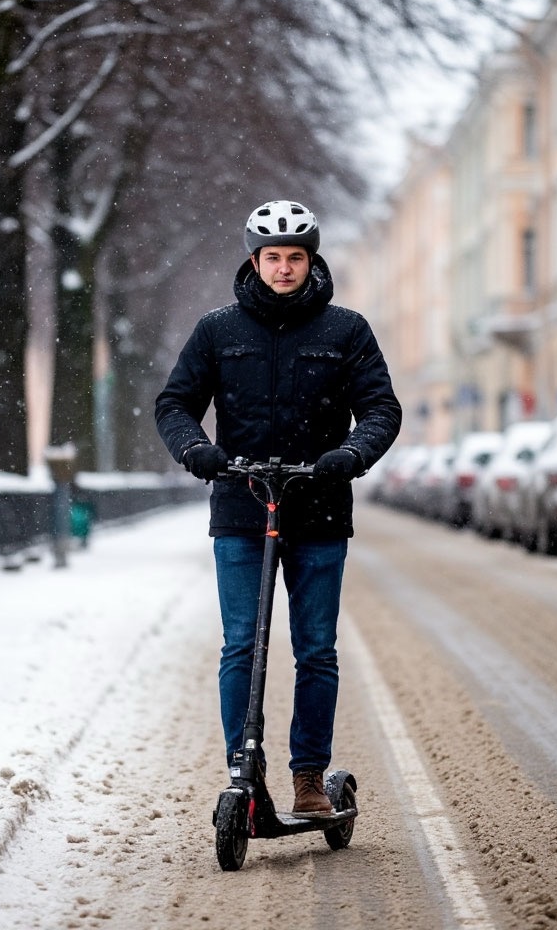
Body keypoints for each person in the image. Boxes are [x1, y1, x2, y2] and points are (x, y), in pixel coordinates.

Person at [155, 199, 401, 816]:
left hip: (318, 509)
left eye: (295, 257)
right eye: (274, 257)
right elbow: (174, 402)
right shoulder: (219, 330)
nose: (285, 268)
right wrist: (196, 449)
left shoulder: (346, 330)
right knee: (242, 643)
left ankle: (309, 779)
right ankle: (245, 771)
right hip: (241, 507)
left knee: (315, 647)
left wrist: (351, 454)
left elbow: (381, 409)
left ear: (311, 259)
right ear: (255, 261)